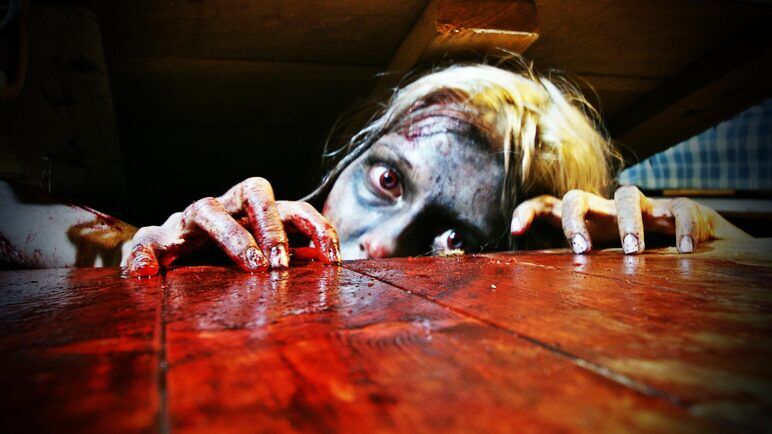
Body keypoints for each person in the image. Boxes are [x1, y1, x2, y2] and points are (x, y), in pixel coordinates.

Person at [0, 60, 751, 274]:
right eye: (386, 181)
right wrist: (135, 248)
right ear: (346, 159)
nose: (384, 246)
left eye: (454, 238)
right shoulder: (242, 239)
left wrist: (726, 247)